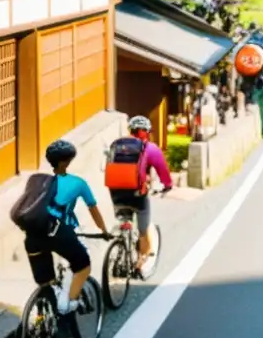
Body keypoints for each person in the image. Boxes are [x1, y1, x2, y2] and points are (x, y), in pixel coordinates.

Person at [26, 140, 112, 315]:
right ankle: (69, 303)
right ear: (66, 161)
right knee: (83, 265)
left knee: (46, 282)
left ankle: (42, 320)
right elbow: (93, 209)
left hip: (33, 234)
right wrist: (103, 231)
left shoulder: (38, 181)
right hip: (59, 232)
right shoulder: (78, 183)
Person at [111, 116, 173, 278]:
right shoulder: (150, 148)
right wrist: (167, 185)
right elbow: (163, 171)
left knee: (124, 218)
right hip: (137, 195)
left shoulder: (117, 145)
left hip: (116, 192)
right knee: (143, 230)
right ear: (147, 132)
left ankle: (119, 247)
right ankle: (140, 263)